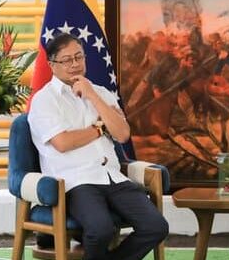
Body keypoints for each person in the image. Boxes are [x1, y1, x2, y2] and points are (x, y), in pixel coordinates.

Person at [28, 33, 169, 260]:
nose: (75, 64)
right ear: (52, 65)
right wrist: (100, 129)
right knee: (100, 229)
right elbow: (63, 143)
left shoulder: (102, 93)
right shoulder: (45, 100)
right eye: (67, 60)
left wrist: (92, 95)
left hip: (113, 177)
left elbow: (122, 134)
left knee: (156, 227)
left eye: (79, 57)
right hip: (77, 181)